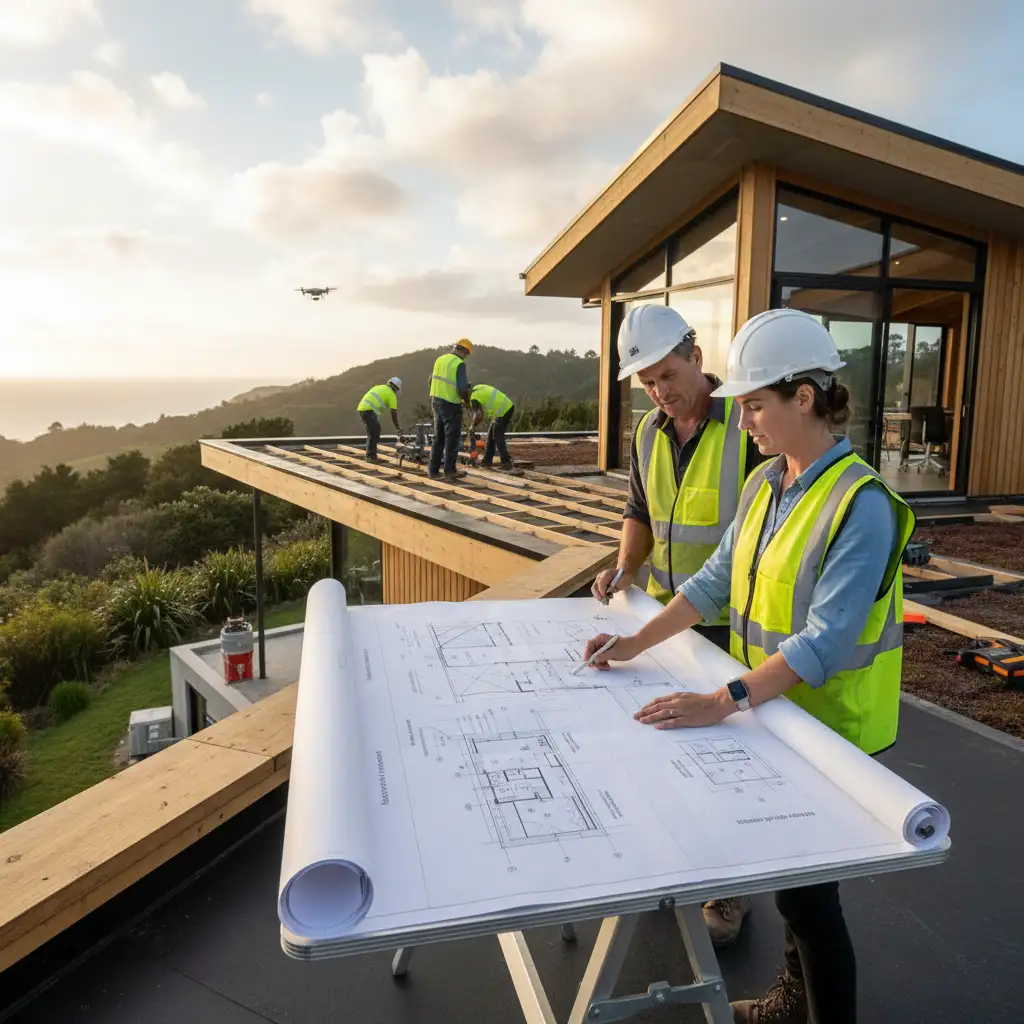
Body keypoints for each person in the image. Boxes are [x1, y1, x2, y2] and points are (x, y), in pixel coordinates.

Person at [582, 308, 915, 1024]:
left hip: (834, 728)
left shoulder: (863, 506)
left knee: (810, 900)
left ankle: (812, 1009)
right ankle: (794, 1001)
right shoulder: (769, 484)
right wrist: (634, 642)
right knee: (795, 887)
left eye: (757, 405)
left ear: (804, 398)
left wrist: (722, 698)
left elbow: (824, 641)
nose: (748, 421)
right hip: (778, 712)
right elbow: (710, 583)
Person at [591, 303, 765, 946]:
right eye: (647, 383)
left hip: (735, 623)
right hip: (668, 617)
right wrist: (624, 570)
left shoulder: (748, 427)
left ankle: (729, 890)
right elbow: (639, 511)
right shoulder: (646, 433)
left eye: (667, 374)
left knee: (729, 761)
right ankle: (676, 860)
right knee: (668, 743)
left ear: (696, 354)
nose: (660, 391)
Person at [428, 338, 472, 479]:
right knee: (452, 438)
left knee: (438, 437)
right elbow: (462, 388)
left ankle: (433, 471)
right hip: (451, 404)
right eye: (467, 354)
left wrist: (438, 392)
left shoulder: (440, 359)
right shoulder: (459, 364)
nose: (466, 357)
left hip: (436, 401)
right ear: (464, 351)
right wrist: (467, 401)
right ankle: (449, 470)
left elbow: (430, 380)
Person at [469, 383, 515, 469]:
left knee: (497, 436)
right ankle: (487, 461)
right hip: (506, 407)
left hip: (503, 411)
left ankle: (506, 462)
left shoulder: (473, 397)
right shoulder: (477, 388)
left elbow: (479, 414)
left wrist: (472, 426)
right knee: (490, 437)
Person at [356, 377, 402, 462]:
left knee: (372, 433)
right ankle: (371, 457)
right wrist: (397, 428)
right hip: (369, 411)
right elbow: (393, 413)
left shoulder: (378, 387)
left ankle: (370, 456)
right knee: (374, 433)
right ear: (396, 388)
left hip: (362, 409)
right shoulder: (391, 394)